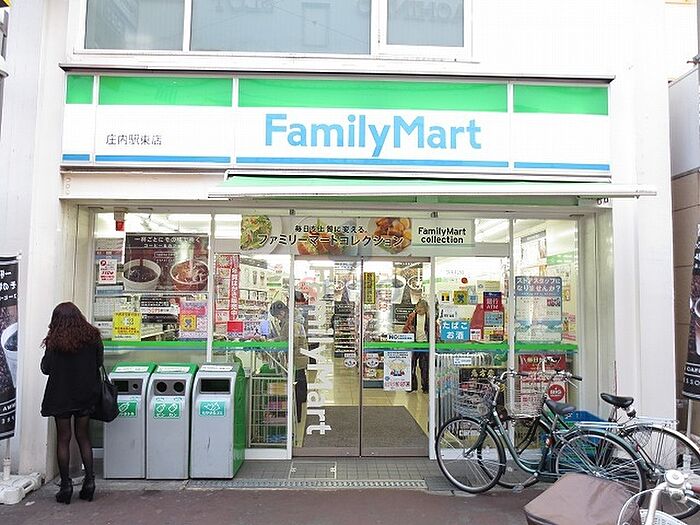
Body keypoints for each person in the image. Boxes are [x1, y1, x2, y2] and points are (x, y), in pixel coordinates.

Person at [40, 302, 103, 504]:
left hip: (61, 395)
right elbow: (99, 363)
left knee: (63, 438)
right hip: (85, 393)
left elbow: (46, 368)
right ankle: (90, 482)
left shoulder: (55, 340)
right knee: (83, 437)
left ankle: (65, 486)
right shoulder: (92, 337)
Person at [268, 299, 308, 422]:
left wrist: (273, 341)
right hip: (299, 357)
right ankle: (298, 410)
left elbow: (289, 341)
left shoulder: (290, 323)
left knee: (297, 386)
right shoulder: (293, 320)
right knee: (300, 383)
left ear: (282, 313)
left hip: (296, 358)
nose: (278, 319)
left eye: (277, 316)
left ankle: (297, 416)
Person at [403, 299, 433, 393]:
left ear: (426, 309)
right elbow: (406, 328)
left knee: (424, 367)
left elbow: (434, 330)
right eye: (418, 307)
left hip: (425, 344)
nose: (419, 309)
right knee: (411, 365)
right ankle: (412, 386)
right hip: (414, 344)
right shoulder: (412, 316)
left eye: (421, 307)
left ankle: (425, 387)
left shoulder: (429, 317)